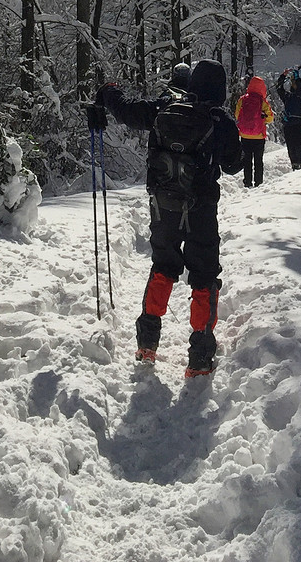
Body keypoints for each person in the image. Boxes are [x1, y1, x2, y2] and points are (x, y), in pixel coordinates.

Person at [96, 59, 243, 377]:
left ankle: (147, 344)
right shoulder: (220, 120)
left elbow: (126, 111)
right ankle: (200, 359)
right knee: (204, 278)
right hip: (201, 211)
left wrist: (109, 92)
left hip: (163, 207)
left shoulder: (165, 107)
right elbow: (234, 165)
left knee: (163, 267)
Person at [234, 75, 273, 187]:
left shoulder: (242, 99)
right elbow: (270, 118)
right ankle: (258, 182)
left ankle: (247, 182)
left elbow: (237, 115)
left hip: (245, 135)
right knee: (258, 161)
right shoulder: (263, 102)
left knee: (247, 160)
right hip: (259, 136)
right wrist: (262, 118)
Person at [276, 67, 301, 169]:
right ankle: (295, 165)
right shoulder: (288, 96)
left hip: (299, 124)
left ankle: (300, 164)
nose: (293, 84)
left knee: (299, 147)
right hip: (289, 125)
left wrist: (297, 78)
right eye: (293, 83)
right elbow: (279, 88)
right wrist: (283, 76)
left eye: (294, 82)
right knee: (291, 148)